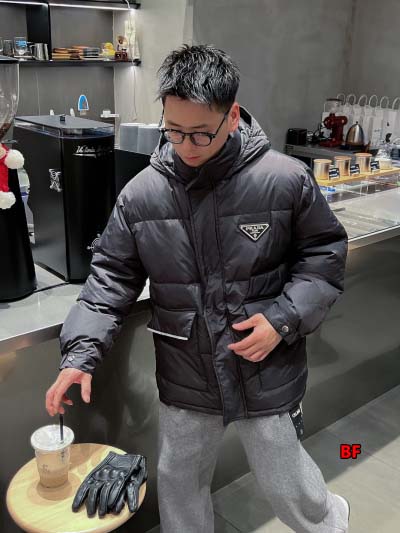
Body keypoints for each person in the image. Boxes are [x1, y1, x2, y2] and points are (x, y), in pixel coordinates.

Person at [46, 44, 350, 532]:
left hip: (263, 365)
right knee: (179, 482)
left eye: (202, 132)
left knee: (285, 480)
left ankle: (331, 522)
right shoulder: (142, 195)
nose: (186, 146)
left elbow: (323, 256)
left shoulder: (284, 180)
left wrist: (282, 320)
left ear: (233, 115)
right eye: (174, 130)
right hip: (185, 370)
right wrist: (79, 355)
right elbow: (110, 279)